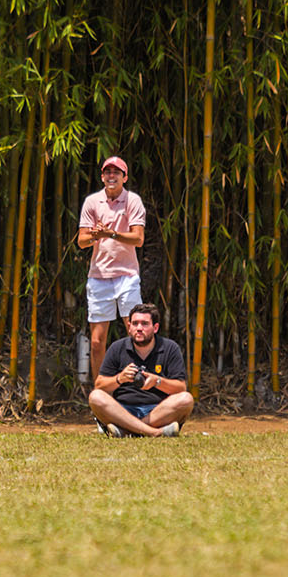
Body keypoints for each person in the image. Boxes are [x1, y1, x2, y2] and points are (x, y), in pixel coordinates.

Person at [77, 156, 149, 386]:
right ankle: (102, 393)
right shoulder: (92, 202)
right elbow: (82, 241)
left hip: (127, 276)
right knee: (97, 342)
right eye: (107, 172)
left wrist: (111, 234)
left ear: (124, 177)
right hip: (99, 277)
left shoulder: (133, 201)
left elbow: (138, 239)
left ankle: (135, 388)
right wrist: (96, 235)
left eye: (116, 172)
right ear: (102, 177)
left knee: (136, 333)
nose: (111, 176)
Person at [89, 303, 193, 438]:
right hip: (122, 410)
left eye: (144, 324)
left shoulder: (170, 348)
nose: (139, 328)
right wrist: (120, 378)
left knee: (186, 399)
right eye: (135, 323)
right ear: (129, 327)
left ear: (155, 328)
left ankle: (127, 430)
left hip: (158, 411)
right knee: (95, 397)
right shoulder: (117, 348)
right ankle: (154, 432)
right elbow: (100, 385)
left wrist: (157, 381)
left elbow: (181, 388)